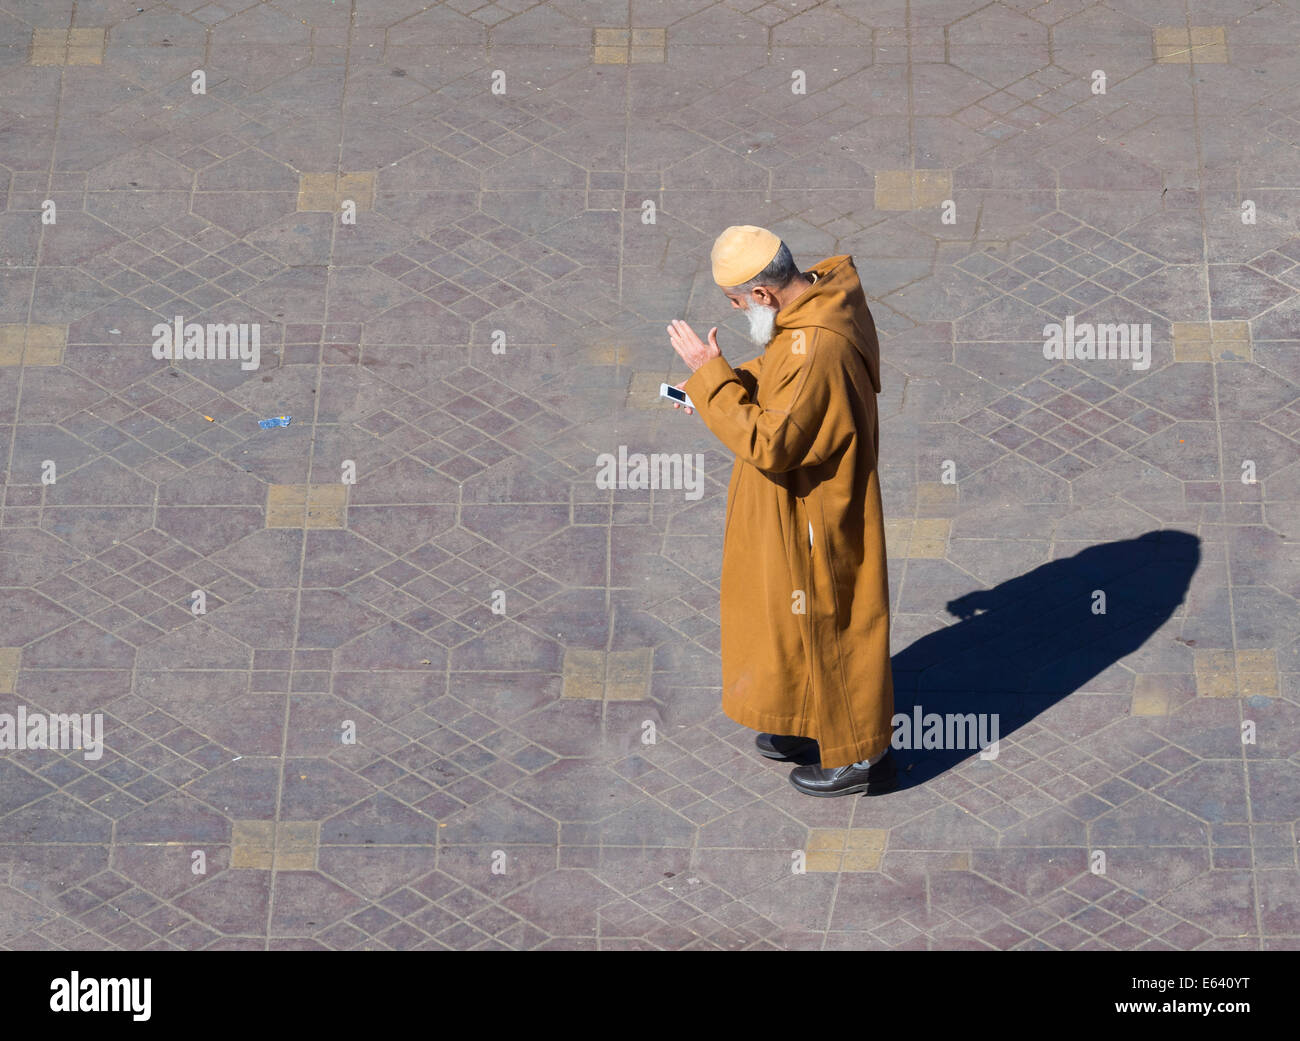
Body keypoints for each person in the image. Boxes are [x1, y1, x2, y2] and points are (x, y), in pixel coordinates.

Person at [666, 225, 897, 797]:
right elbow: (782, 376)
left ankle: (853, 755)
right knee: (791, 617)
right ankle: (805, 718)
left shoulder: (815, 341)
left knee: (832, 617)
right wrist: (720, 382)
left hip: (816, 506)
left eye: (739, 303)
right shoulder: (818, 301)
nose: (741, 312)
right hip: (796, 499)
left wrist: (714, 382)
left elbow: (774, 442)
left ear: (765, 295)